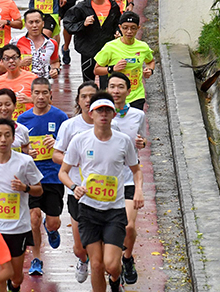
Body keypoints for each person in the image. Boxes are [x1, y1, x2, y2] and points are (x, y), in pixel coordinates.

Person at [58, 93, 143, 292]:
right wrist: (73, 187)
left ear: (114, 114)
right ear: (91, 113)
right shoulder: (80, 140)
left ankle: (115, 279)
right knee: (96, 265)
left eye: (107, 111)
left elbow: (136, 170)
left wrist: (138, 190)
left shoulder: (123, 141)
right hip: (88, 210)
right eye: (99, 111)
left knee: (111, 265)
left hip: (114, 211)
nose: (103, 115)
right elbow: (63, 172)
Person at [0, 118, 44, 292]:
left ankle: (14, 286)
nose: (3, 140)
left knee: (15, 275)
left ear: (14, 138)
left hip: (18, 228)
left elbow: (39, 190)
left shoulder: (25, 162)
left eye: (7, 135)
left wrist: (25, 187)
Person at [17, 77, 69, 276]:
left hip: (53, 176)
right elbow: (17, 150)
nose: (40, 96)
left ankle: (52, 229)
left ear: (50, 95)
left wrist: (56, 143)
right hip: (31, 177)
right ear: (31, 95)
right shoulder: (23, 120)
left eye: (44, 93)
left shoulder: (60, 117)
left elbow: (70, 147)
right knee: (34, 217)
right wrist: (25, 154)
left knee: (52, 221)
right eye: (36, 93)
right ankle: (37, 258)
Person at [51, 81, 99, 283]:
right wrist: (74, 162)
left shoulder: (109, 124)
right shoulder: (70, 126)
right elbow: (56, 155)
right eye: (84, 97)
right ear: (78, 101)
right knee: (80, 247)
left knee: (104, 244)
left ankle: (112, 275)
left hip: (104, 193)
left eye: (92, 96)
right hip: (77, 191)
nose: (88, 100)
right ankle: (82, 260)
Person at [105, 72, 147, 285]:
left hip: (129, 179)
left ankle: (127, 259)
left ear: (129, 91)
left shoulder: (138, 115)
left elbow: (142, 141)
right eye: (112, 86)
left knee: (129, 226)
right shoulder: (101, 114)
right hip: (105, 183)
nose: (116, 91)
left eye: (120, 87)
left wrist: (142, 143)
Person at [63, 0, 122, 83]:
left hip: (106, 52)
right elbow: (68, 24)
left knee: (107, 85)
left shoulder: (113, 6)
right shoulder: (81, 7)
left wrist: (118, 32)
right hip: (88, 51)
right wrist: (83, 24)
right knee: (88, 84)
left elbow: (118, 23)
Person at [93, 12, 155, 109]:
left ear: (138, 28)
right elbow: (96, 70)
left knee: (134, 123)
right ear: (120, 27)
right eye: (125, 28)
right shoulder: (110, 47)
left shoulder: (143, 47)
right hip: (115, 96)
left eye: (133, 28)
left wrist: (150, 70)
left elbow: (150, 61)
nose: (129, 31)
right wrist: (113, 69)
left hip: (136, 95)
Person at [13, 10, 60, 79]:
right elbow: (2, 66)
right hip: (22, 83)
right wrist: (19, 64)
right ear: (25, 25)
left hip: (43, 84)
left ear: (43, 23)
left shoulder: (52, 43)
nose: (34, 25)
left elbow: (55, 62)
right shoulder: (15, 41)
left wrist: (55, 70)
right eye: (31, 22)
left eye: (37, 22)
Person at [0, 43, 39, 115]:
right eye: (7, 58)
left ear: (20, 59)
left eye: (14, 57)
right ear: (2, 61)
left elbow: (47, 101)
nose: (11, 61)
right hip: (8, 121)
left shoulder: (32, 78)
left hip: (29, 120)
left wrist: (30, 100)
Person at [0, 88, 30, 153]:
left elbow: (26, 147)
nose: (3, 108)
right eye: (0, 105)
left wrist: (29, 151)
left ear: (15, 105)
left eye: (7, 105)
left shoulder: (22, 130)